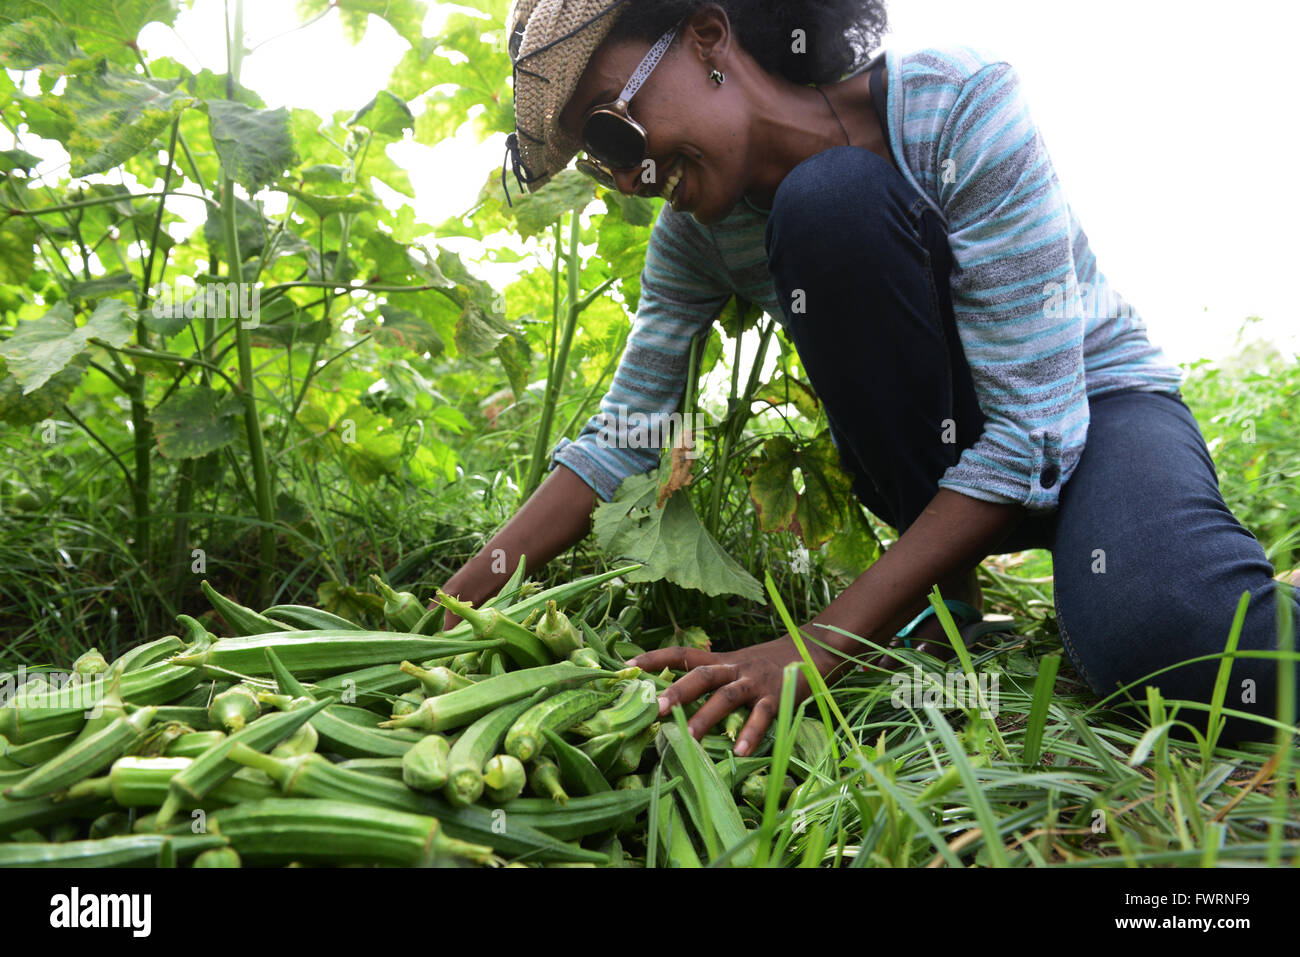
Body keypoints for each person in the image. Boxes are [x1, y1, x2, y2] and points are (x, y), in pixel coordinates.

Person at [442, 0, 1298, 755]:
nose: (628, 175)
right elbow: (625, 433)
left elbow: (1038, 422)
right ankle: (951, 598)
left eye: (611, 131)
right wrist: (450, 608)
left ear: (707, 37)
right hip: (944, 467)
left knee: (1174, 645)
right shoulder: (697, 235)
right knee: (829, 206)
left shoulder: (957, 103)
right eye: (600, 164)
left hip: (1095, 407)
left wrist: (818, 642)